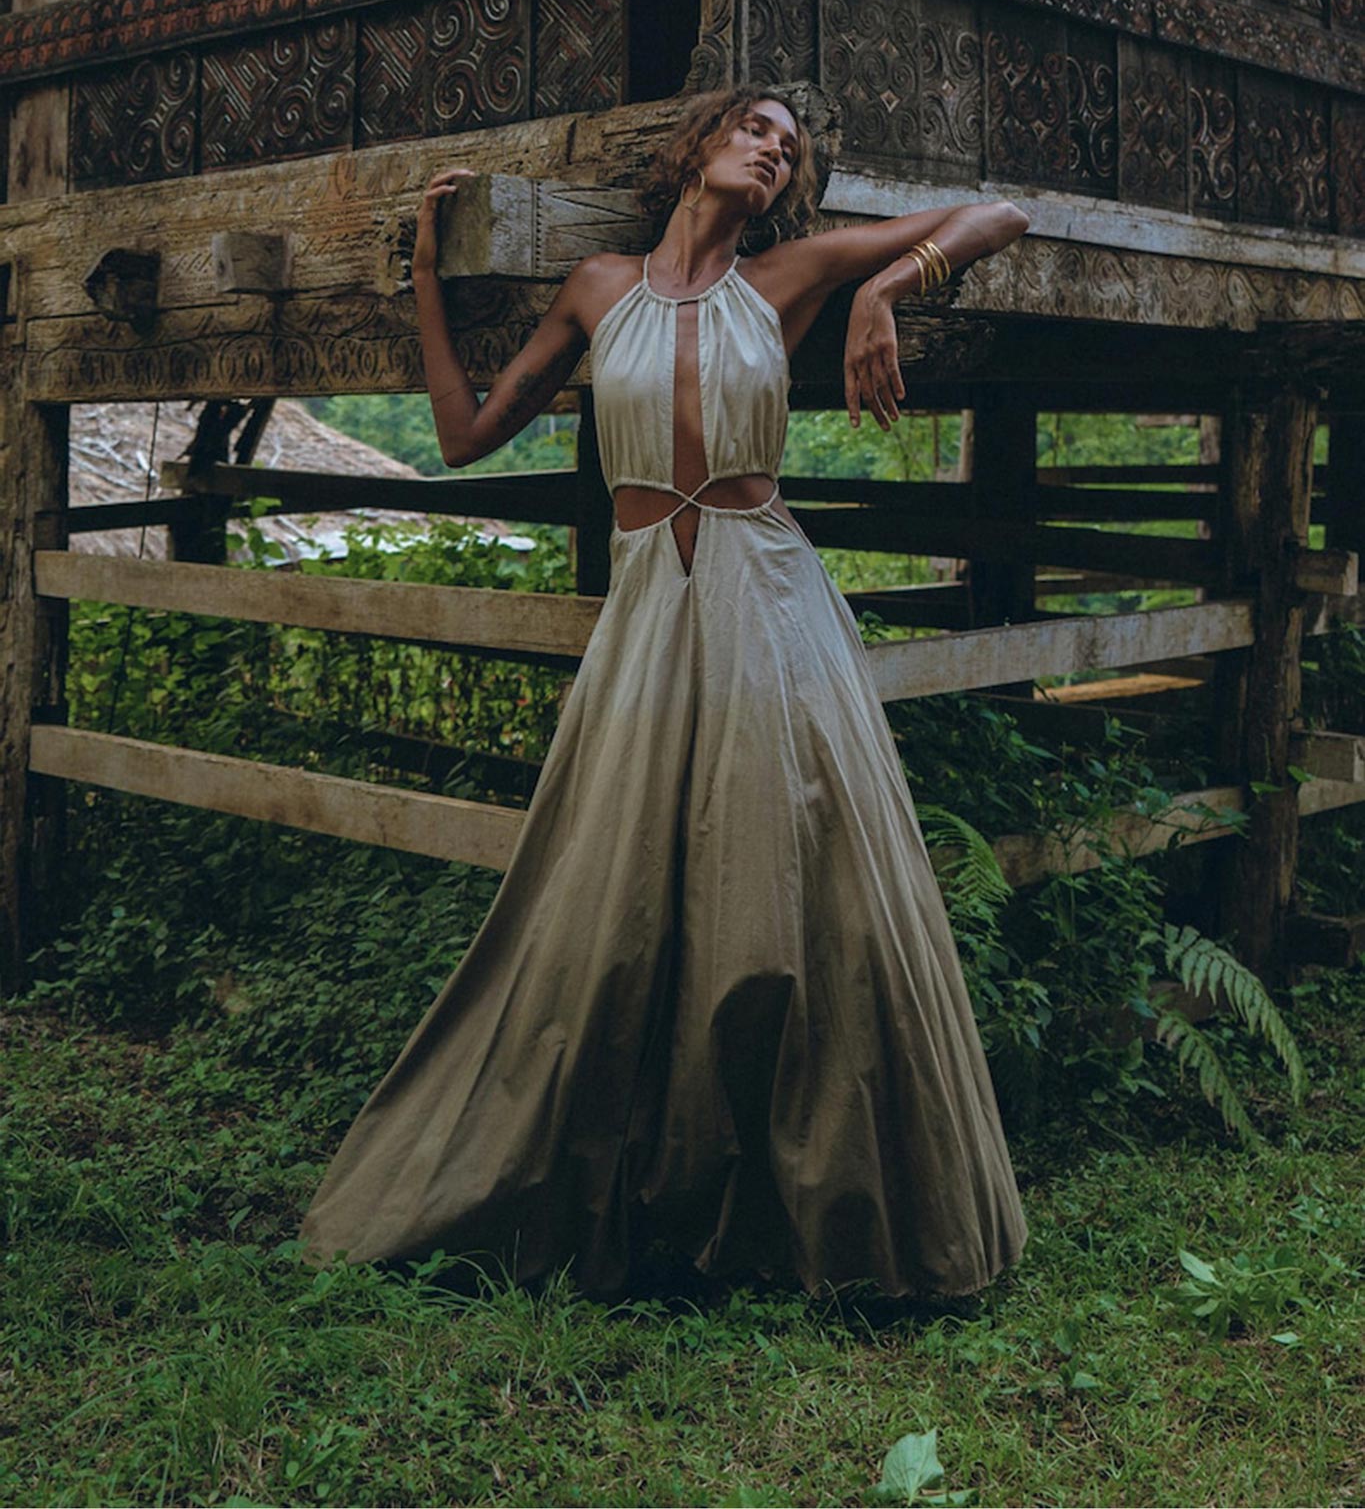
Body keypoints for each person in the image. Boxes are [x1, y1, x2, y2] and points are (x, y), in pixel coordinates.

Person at [300, 84, 1032, 1300]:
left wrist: (891, 284)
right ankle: (639, 1194)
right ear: (699, 147)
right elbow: (468, 433)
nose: (773, 148)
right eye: (756, 127)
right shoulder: (598, 288)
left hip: (770, 599)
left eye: (789, 147)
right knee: (617, 900)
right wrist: (426, 283)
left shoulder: (791, 276)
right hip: (649, 608)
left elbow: (998, 212)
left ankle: (825, 1213)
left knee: (804, 896)